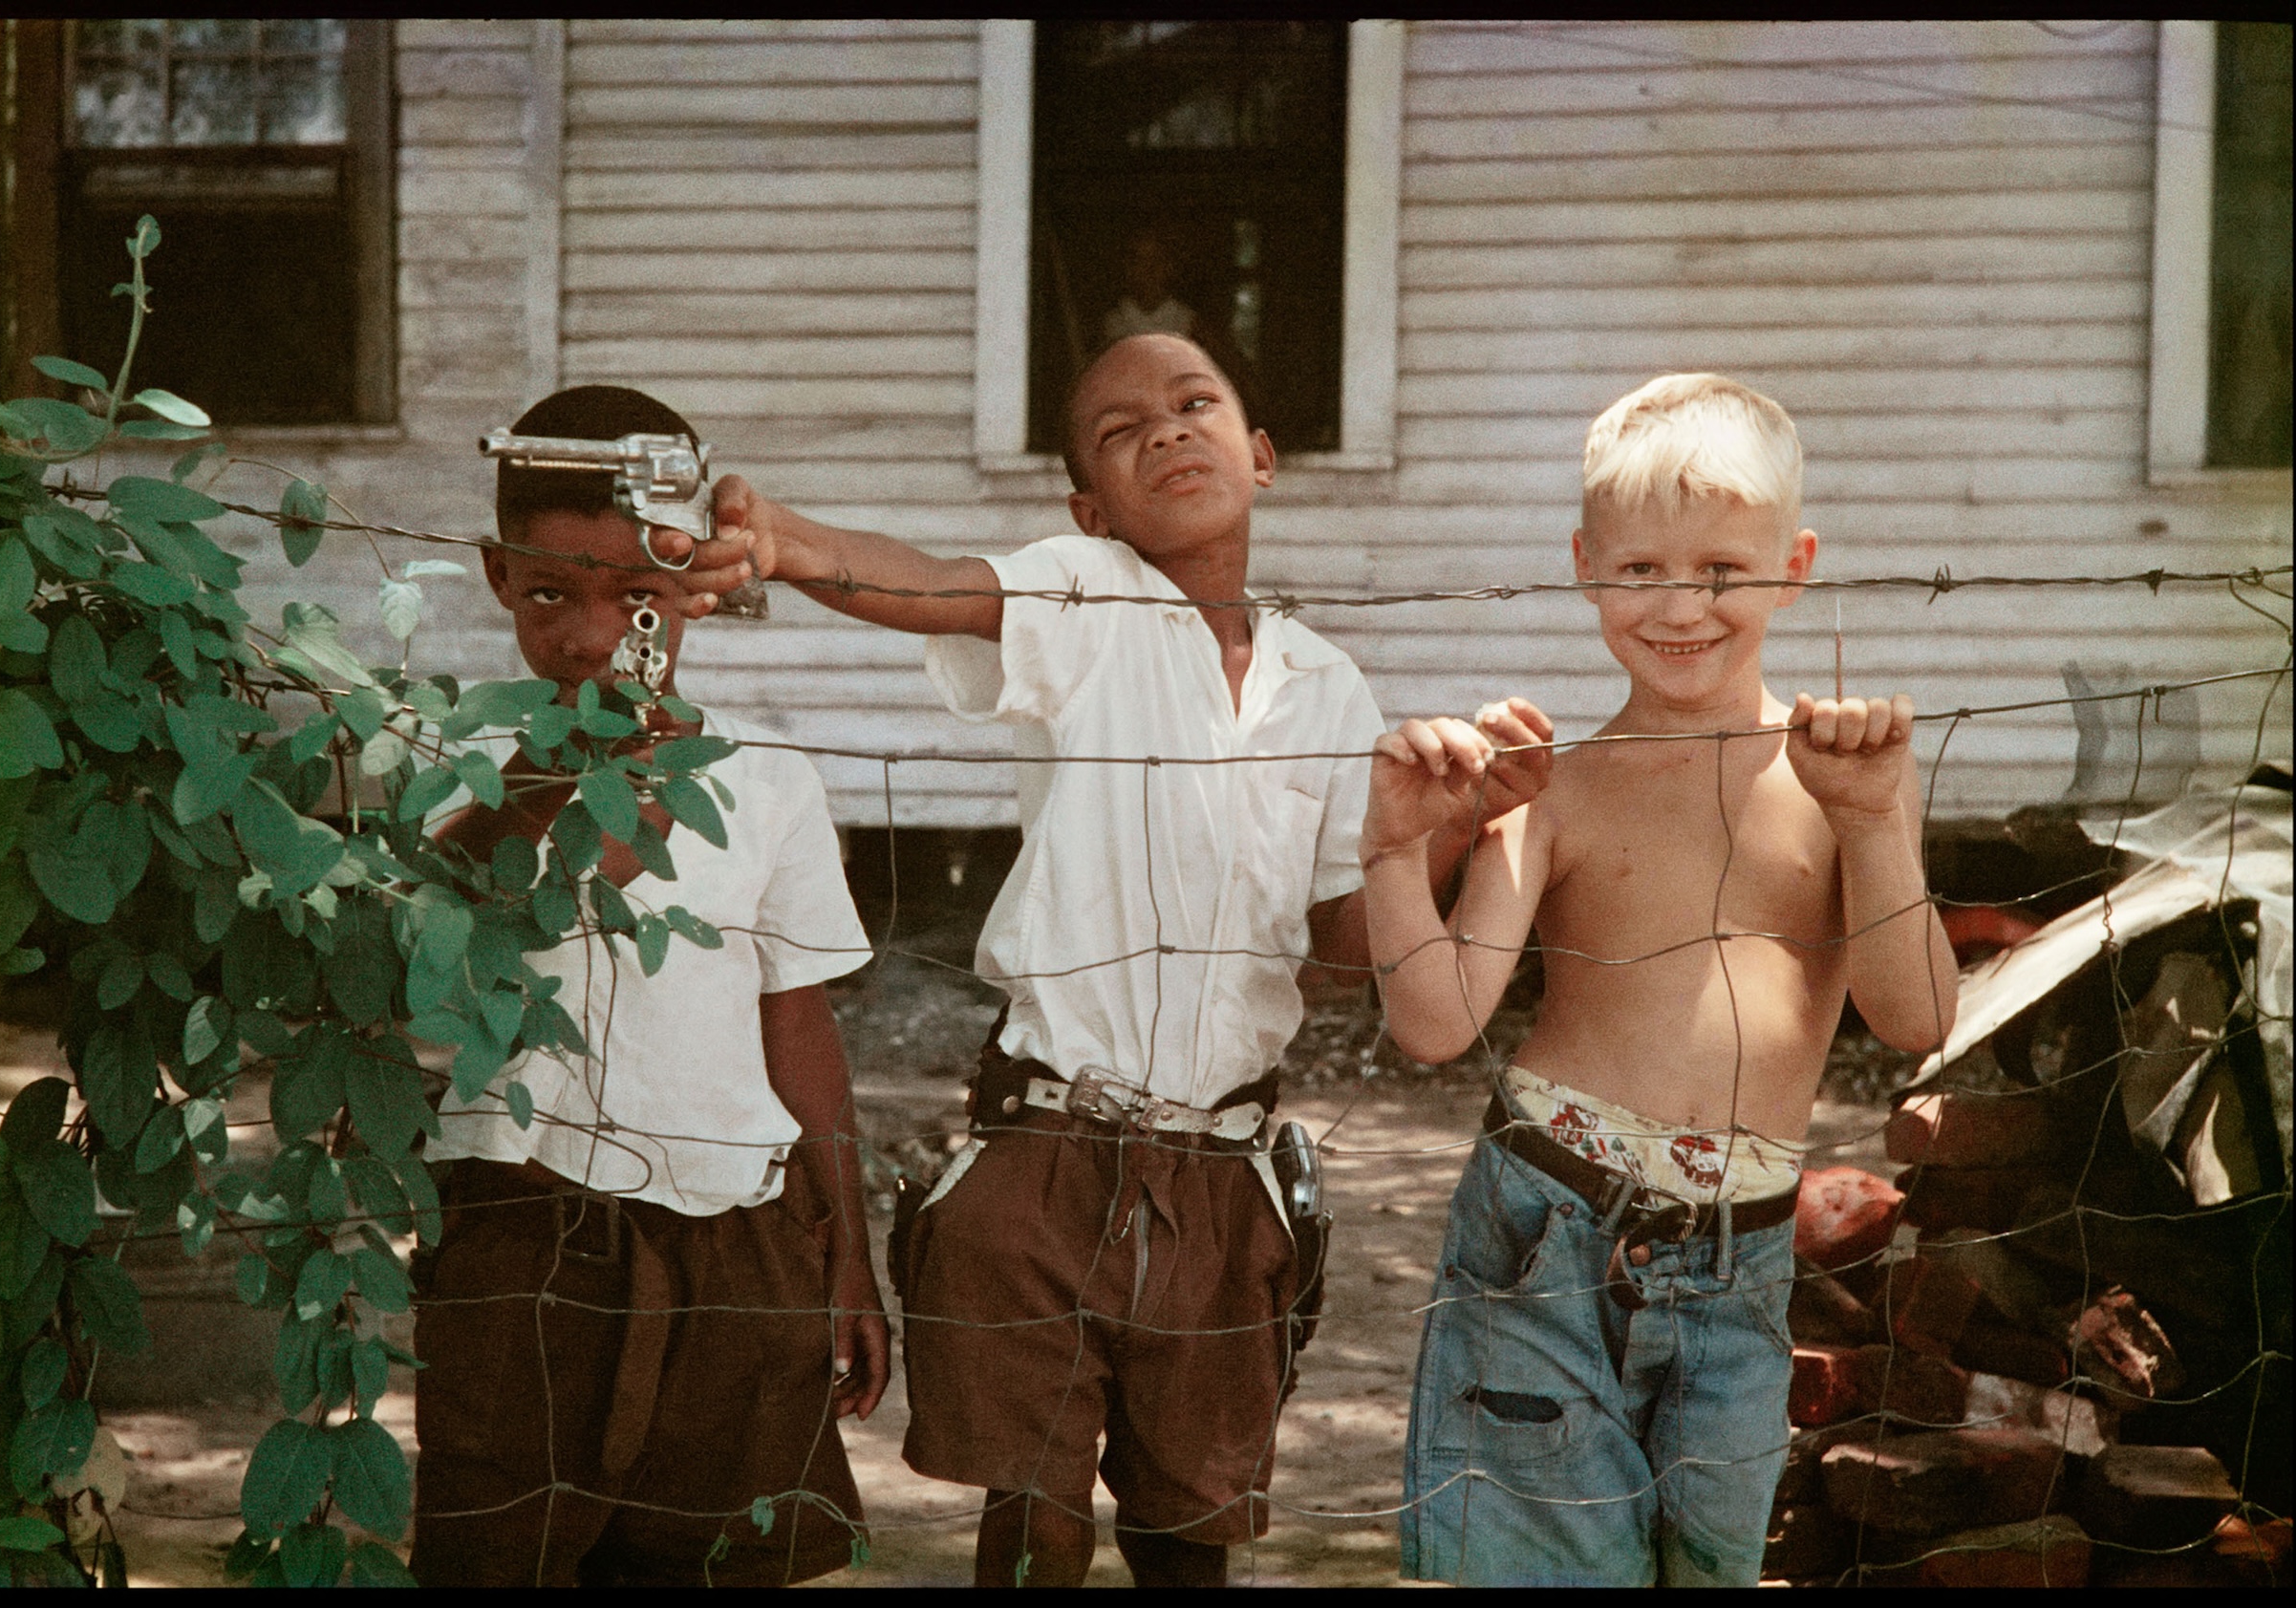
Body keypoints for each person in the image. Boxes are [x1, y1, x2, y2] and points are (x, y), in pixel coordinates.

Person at [654, 332, 1492, 1587]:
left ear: (1259, 454)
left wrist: (1437, 834)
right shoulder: (1089, 598)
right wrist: (786, 537)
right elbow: (932, 584)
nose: (1166, 429)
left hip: (1223, 1165)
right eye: (1121, 427)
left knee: (1189, 1532)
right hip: (1046, 1148)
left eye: (1196, 402)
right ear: (1089, 507)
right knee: (1034, 1519)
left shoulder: (1329, 688)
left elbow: (1331, 958)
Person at [1361, 373, 1958, 1587]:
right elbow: (1434, 1023)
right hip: (1546, 1232)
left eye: (1722, 571)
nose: (1680, 605)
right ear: (1586, 567)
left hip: (1740, 1255)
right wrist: (1390, 848)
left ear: (1794, 565)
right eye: (1640, 571)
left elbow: (1918, 1017)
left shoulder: (1846, 781)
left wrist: (1876, 822)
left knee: (1711, 1566)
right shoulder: (1555, 786)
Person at [406, 385, 890, 1587]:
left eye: (639, 596)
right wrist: (547, 779)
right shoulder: (446, 762)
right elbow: (439, 954)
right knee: (504, 1550)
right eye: (551, 593)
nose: (590, 634)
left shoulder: (768, 781)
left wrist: (847, 1255)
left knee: (711, 1562)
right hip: (526, 1227)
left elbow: (799, 1025)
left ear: (701, 587)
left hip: (739, 1235)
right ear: (495, 574)